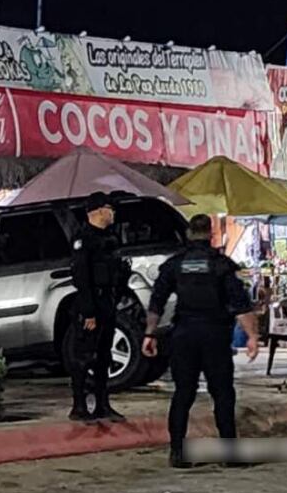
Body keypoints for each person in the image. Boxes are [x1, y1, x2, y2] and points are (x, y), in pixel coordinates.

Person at [142, 214, 259, 468]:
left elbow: (157, 302)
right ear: (210, 234)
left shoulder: (175, 265)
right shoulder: (221, 265)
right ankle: (229, 453)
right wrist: (252, 336)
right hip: (215, 335)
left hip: (183, 335)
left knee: (183, 393)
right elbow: (241, 305)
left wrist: (149, 333)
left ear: (187, 235)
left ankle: (177, 452)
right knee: (223, 393)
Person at [68, 191, 131, 422]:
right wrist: (89, 312)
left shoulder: (110, 239)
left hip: (108, 301)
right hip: (91, 303)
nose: (113, 213)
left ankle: (103, 404)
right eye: (110, 209)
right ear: (98, 211)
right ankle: (79, 406)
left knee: (104, 356)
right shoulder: (83, 239)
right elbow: (82, 278)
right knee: (84, 356)